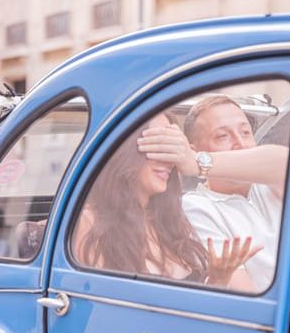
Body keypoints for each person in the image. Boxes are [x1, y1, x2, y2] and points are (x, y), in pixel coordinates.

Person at [73, 113, 261, 290]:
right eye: (160, 145)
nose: (170, 159)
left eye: (174, 148)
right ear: (126, 148)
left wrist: (218, 280)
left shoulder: (172, 220)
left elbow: (192, 308)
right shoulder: (90, 223)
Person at [137, 96, 288, 291]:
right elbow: (244, 294)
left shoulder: (271, 185)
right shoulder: (195, 207)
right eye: (222, 136)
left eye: (245, 132)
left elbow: (287, 162)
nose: (240, 143)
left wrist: (196, 161)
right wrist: (195, 163)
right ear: (194, 150)